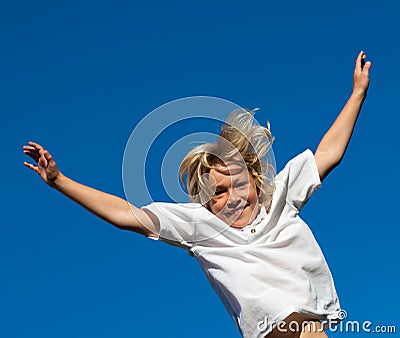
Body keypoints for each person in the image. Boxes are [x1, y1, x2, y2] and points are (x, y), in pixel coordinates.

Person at [23, 51, 371, 338]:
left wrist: (356, 94)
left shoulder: (279, 198)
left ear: (254, 178)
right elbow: (127, 216)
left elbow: (327, 155)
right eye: (218, 193)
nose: (232, 196)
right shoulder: (200, 226)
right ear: (205, 203)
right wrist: (60, 181)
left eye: (237, 183)